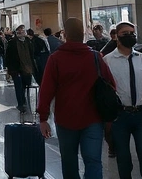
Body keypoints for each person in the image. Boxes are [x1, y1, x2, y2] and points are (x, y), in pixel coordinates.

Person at [38, 18, 113, 179]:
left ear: (65, 34)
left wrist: (43, 118)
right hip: (93, 118)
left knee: (69, 161)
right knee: (93, 161)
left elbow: (46, 91)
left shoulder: (56, 59)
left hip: (66, 119)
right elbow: (111, 85)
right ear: (83, 34)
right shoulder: (95, 57)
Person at [103, 21, 142, 179]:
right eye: (125, 34)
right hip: (120, 115)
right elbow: (102, 87)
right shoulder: (108, 60)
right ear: (116, 36)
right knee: (123, 157)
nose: (130, 36)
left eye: (132, 33)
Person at [5, 25, 36, 115]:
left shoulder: (29, 42)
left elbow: (32, 54)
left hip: (27, 68)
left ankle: (24, 102)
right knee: (18, 87)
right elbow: (8, 57)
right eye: (19, 30)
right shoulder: (12, 43)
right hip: (16, 69)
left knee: (25, 86)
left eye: (22, 30)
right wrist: (9, 69)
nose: (21, 32)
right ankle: (21, 104)